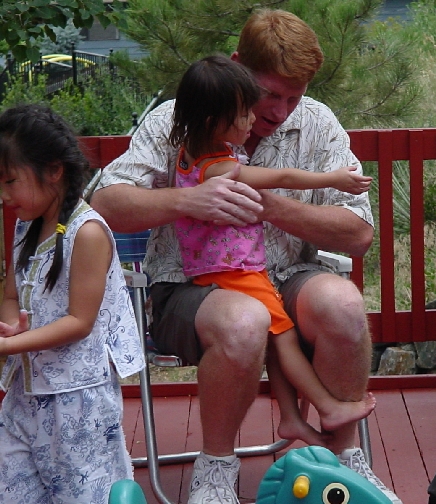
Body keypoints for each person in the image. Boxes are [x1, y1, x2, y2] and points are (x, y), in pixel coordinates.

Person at [91, 8, 402, 504]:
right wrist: (188, 200)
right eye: (269, 94)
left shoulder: (317, 123)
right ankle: (215, 468)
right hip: (192, 288)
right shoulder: (178, 119)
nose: (280, 111)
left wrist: (268, 205)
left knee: (342, 305)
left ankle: (346, 462)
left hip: (287, 276)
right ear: (238, 65)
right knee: (245, 320)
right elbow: (106, 202)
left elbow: (359, 234)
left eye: (293, 97)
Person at [170, 54, 377, 447]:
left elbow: (360, 234)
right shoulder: (220, 167)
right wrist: (333, 179)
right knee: (285, 338)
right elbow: (282, 176)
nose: (252, 120)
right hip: (236, 272)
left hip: (231, 269)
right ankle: (326, 407)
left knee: (277, 332)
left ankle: (291, 419)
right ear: (214, 121)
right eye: (243, 114)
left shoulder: (192, 151)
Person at [0, 104, 145, 504]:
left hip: (78, 400)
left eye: (10, 181)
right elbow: (10, 296)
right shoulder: (26, 225)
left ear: (54, 170)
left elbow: (80, 321)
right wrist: (11, 328)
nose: (4, 195)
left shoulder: (88, 232)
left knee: (83, 494)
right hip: (25, 393)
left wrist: (11, 344)